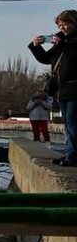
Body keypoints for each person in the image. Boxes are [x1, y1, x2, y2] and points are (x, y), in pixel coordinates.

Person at [29, 9, 77, 167]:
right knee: (68, 123)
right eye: (60, 25)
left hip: (75, 86)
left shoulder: (70, 41)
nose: (62, 28)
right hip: (63, 89)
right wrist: (36, 46)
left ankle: (72, 157)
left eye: (66, 24)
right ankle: (70, 154)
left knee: (72, 122)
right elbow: (46, 58)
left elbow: (73, 55)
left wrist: (62, 44)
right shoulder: (62, 40)